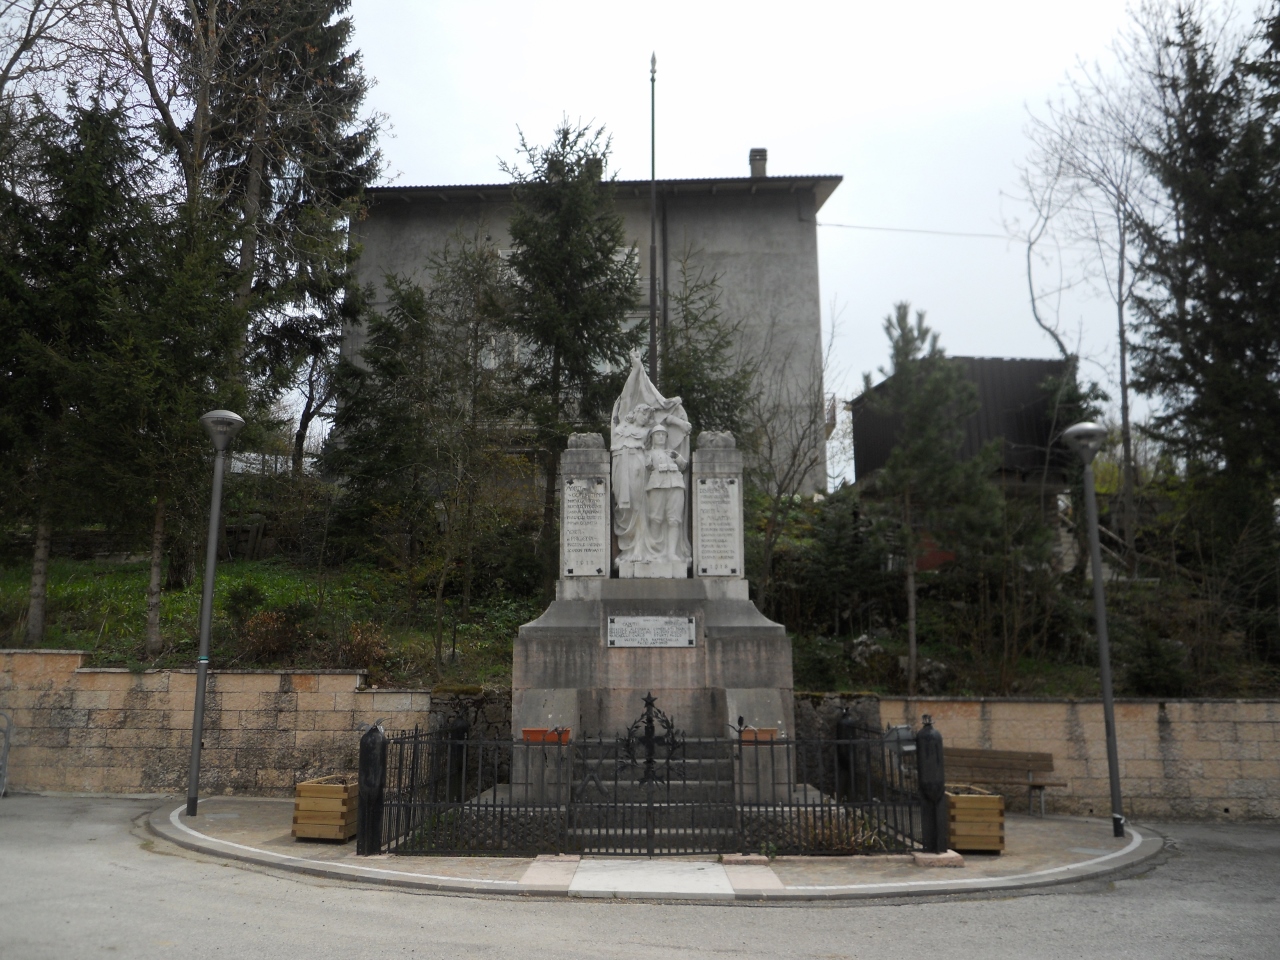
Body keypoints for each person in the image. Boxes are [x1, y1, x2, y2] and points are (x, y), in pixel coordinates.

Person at [611, 403, 653, 562]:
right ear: (635, 413)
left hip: (637, 466)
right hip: (620, 466)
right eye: (643, 414)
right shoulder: (621, 428)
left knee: (637, 506)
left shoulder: (646, 432)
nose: (645, 418)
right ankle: (628, 548)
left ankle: (639, 547)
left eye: (647, 416)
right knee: (623, 508)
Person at [644, 424, 690, 566]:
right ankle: (654, 552)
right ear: (652, 437)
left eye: (663, 435)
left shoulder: (672, 452)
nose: (661, 437)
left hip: (675, 484)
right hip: (657, 484)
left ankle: (671, 553)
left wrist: (676, 457)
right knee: (655, 518)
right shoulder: (648, 453)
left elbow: (684, 466)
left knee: (674, 520)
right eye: (658, 434)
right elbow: (646, 466)